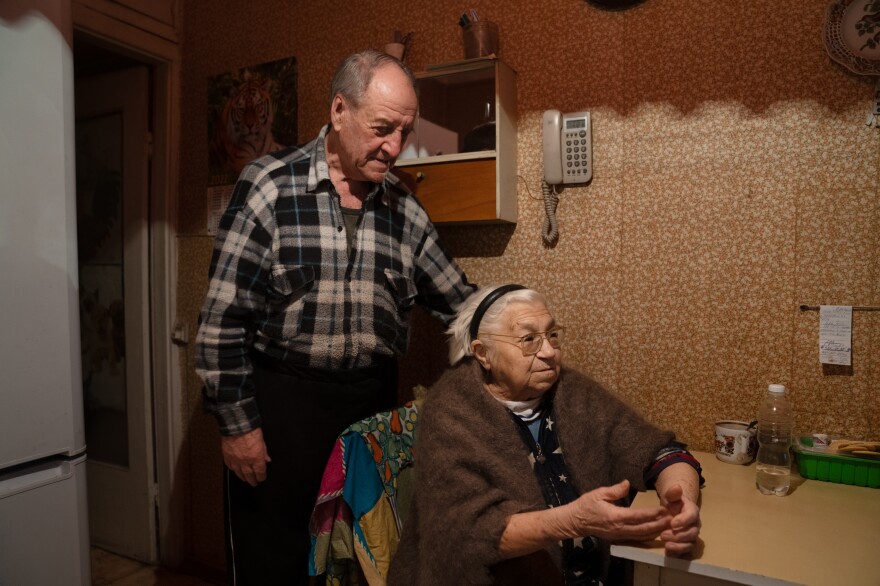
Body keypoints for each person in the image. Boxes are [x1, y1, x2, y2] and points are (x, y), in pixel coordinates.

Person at [195, 49, 474, 586]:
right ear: (339, 110)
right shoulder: (270, 187)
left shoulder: (406, 211)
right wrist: (238, 429)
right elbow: (221, 324)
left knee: (358, 563)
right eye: (382, 128)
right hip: (280, 414)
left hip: (368, 413)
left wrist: (518, 321)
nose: (395, 147)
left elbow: (459, 303)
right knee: (273, 564)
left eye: (405, 132)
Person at [388, 285, 703, 586]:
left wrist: (682, 504)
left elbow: (660, 451)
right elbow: (465, 533)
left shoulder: (573, 391)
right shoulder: (450, 413)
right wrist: (573, 520)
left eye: (552, 334)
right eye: (529, 339)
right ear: (483, 354)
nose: (550, 352)